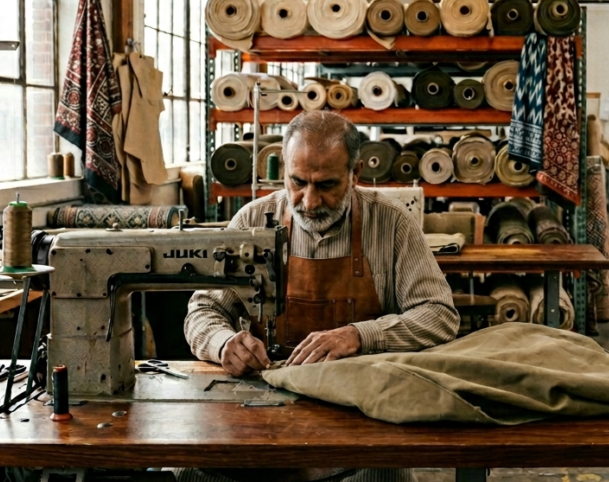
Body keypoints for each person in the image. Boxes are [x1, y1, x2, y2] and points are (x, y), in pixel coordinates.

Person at [182, 111, 458, 482]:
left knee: (382, 476)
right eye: (298, 182)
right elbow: (203, 308)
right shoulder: (252, 221)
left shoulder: (391, 225)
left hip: (361, 410)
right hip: (264, 409)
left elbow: (439, 314)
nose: (309, 201)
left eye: (326, 185)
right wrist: (223, 344)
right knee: (190, 473)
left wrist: (361, 335)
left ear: (355, 174)